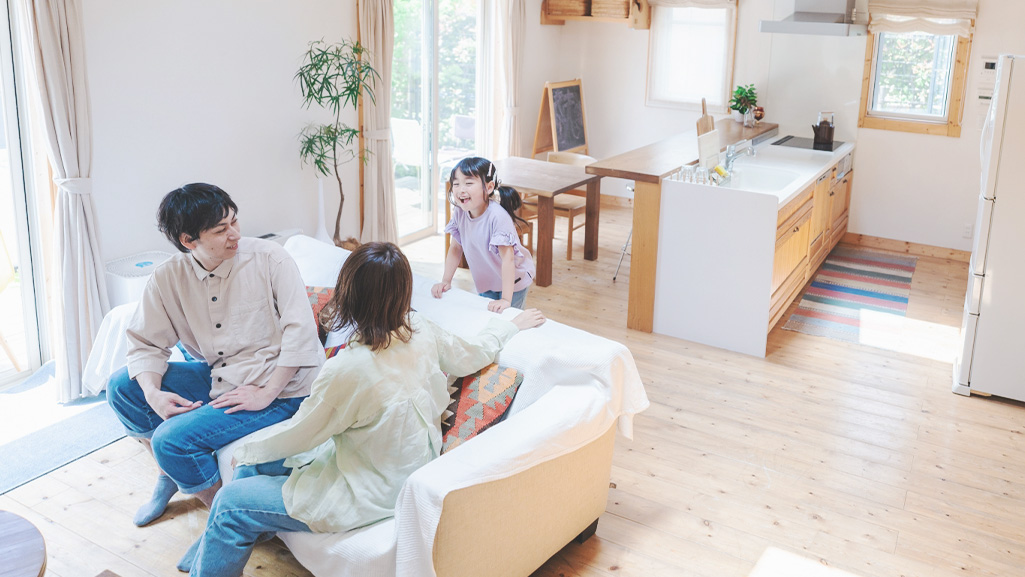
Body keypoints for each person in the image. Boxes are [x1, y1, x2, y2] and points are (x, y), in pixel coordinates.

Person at [181, 242, 545, 576]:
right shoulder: (419, 328)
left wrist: (246, 450)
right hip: (400, 465)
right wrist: (507, 325)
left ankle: (220, 540)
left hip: (369, 491)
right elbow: (472, 354)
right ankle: (220, 544)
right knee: (252, 464)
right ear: (402, 293)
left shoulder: (346, 369)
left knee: (230, 499)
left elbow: (302, 432)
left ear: (348, 294)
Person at [106, 183, 324, 530]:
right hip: (221, 375)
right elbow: (145, 343)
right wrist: (154, 394)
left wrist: (266, 392)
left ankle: (227, 515)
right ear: (188, 241)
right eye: (221, 230)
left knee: (172, 439)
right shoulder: (168, 278)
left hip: (282, 387)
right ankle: (169, 474)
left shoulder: (270, 258)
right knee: (122, 386)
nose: (235, 233)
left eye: (235, 222)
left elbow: (301, 335)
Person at [431, 157, 536, 313]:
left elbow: (508, 259)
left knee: (510, 322)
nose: (461, 189)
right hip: (487, 281)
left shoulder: (497, 217)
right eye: (456, 184)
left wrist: (506, 299)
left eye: (468, 183)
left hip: (513, 282)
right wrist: (446, 281)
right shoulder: (460, 212)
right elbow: (455, 248)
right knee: (488, 320)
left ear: (488, 187)